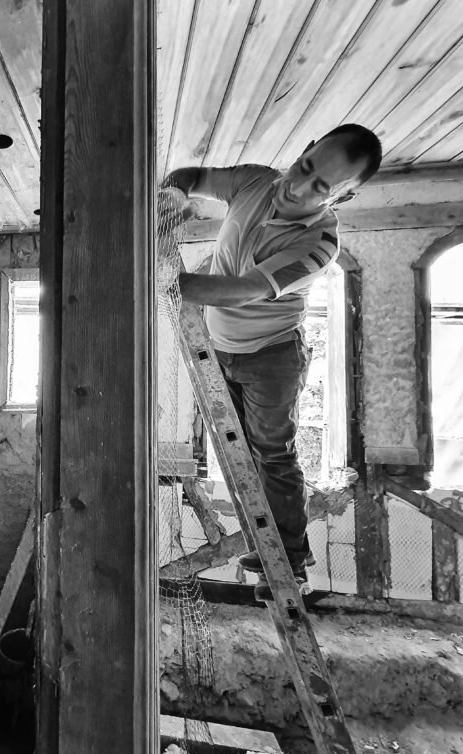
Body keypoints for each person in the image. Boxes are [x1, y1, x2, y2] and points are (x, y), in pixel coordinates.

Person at [160, 124, 382, 585]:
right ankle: (265, 544)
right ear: (303, 149)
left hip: (271, 357)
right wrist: (175, 197)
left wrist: (155, 276)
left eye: (320, 187)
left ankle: (290, 559)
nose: (298, 187)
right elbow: (190, 175)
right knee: (233, 450)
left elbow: (242, 291)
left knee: (271, 454)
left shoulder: (319, 245)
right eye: (304, 167)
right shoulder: (254, 181)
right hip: (221, 347)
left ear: (339, 197)